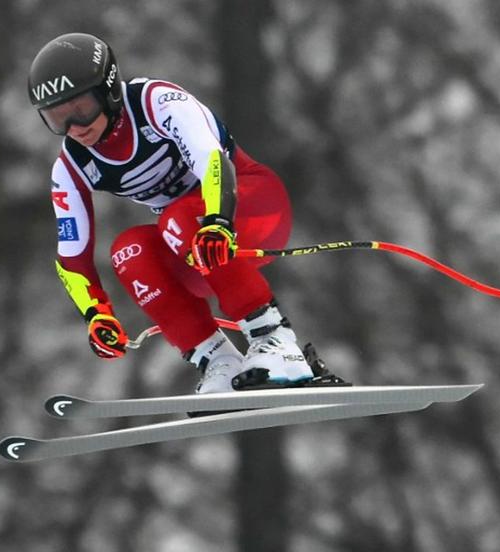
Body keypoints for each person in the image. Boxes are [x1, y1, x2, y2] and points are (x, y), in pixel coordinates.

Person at [28, 32, 315, 394]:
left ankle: (275, 340)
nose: (75, 128)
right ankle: (218, 361)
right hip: (195, 248)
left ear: (109, 89)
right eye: (58, 119)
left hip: (251, 209)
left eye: (81, 109)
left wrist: (218, 221)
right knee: (128, 252)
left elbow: (211, 160)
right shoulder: (70, 167)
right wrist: (96, 314)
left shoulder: (156, 102)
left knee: (177, 218)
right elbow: (72, 258)